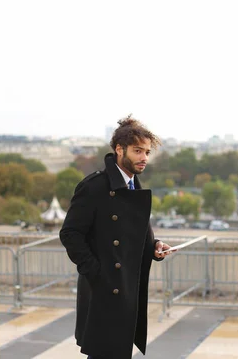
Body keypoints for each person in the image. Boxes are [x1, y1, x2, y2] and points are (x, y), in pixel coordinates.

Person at [59, 115, 174, 359]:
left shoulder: (134, 185)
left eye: (147, 152)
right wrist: (96, 272)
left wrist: (154, 246)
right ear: (119, 150)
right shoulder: (95, 186)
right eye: (138, 151)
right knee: (105, 353)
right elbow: (70, 233)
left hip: (126, 287)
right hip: (104, 289)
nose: (144, 158)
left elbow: (133, 232)